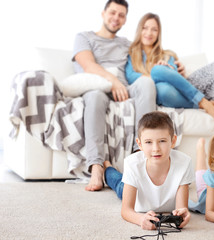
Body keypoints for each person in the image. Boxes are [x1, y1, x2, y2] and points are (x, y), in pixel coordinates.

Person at [72, 1, 185, 191]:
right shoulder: (84, 37)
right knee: (95, 96)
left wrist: (174, 67)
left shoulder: (126, 44)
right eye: (113, 12)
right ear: (103, 13)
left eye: (121, 15)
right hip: (98, 87)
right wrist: (113, 81)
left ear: (125, 20)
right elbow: (88, 65)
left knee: (146, 82)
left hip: (125, 90)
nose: (116, 18)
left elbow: (151, 56)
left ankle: (141, 153)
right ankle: (97, 166)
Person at [125, 13, 214, 126]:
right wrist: (155, 76)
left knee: (160, 79)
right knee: (159, 83)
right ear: (139, 30)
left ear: (159, 33)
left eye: (154, 29)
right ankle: (204, 103)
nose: (149, 33)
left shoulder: (168, 55)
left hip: (168, 89)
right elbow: (131, 76)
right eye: (145, 28)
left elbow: (174, 77)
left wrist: (165, 69)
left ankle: (204, 103)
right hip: (153, 92)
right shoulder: (131, 55)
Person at [103, 111, 194, 229]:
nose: (156, 149)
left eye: (162, 141)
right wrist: (140, 219)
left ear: (173, 141)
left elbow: (182, 208)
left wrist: (182, 215)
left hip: (144, 190)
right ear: (139, 144)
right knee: (117, 182)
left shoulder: (184, 163)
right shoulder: (132, 164)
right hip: (136, 194)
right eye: (148, 142)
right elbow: (126, 210)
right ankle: (107, 166)